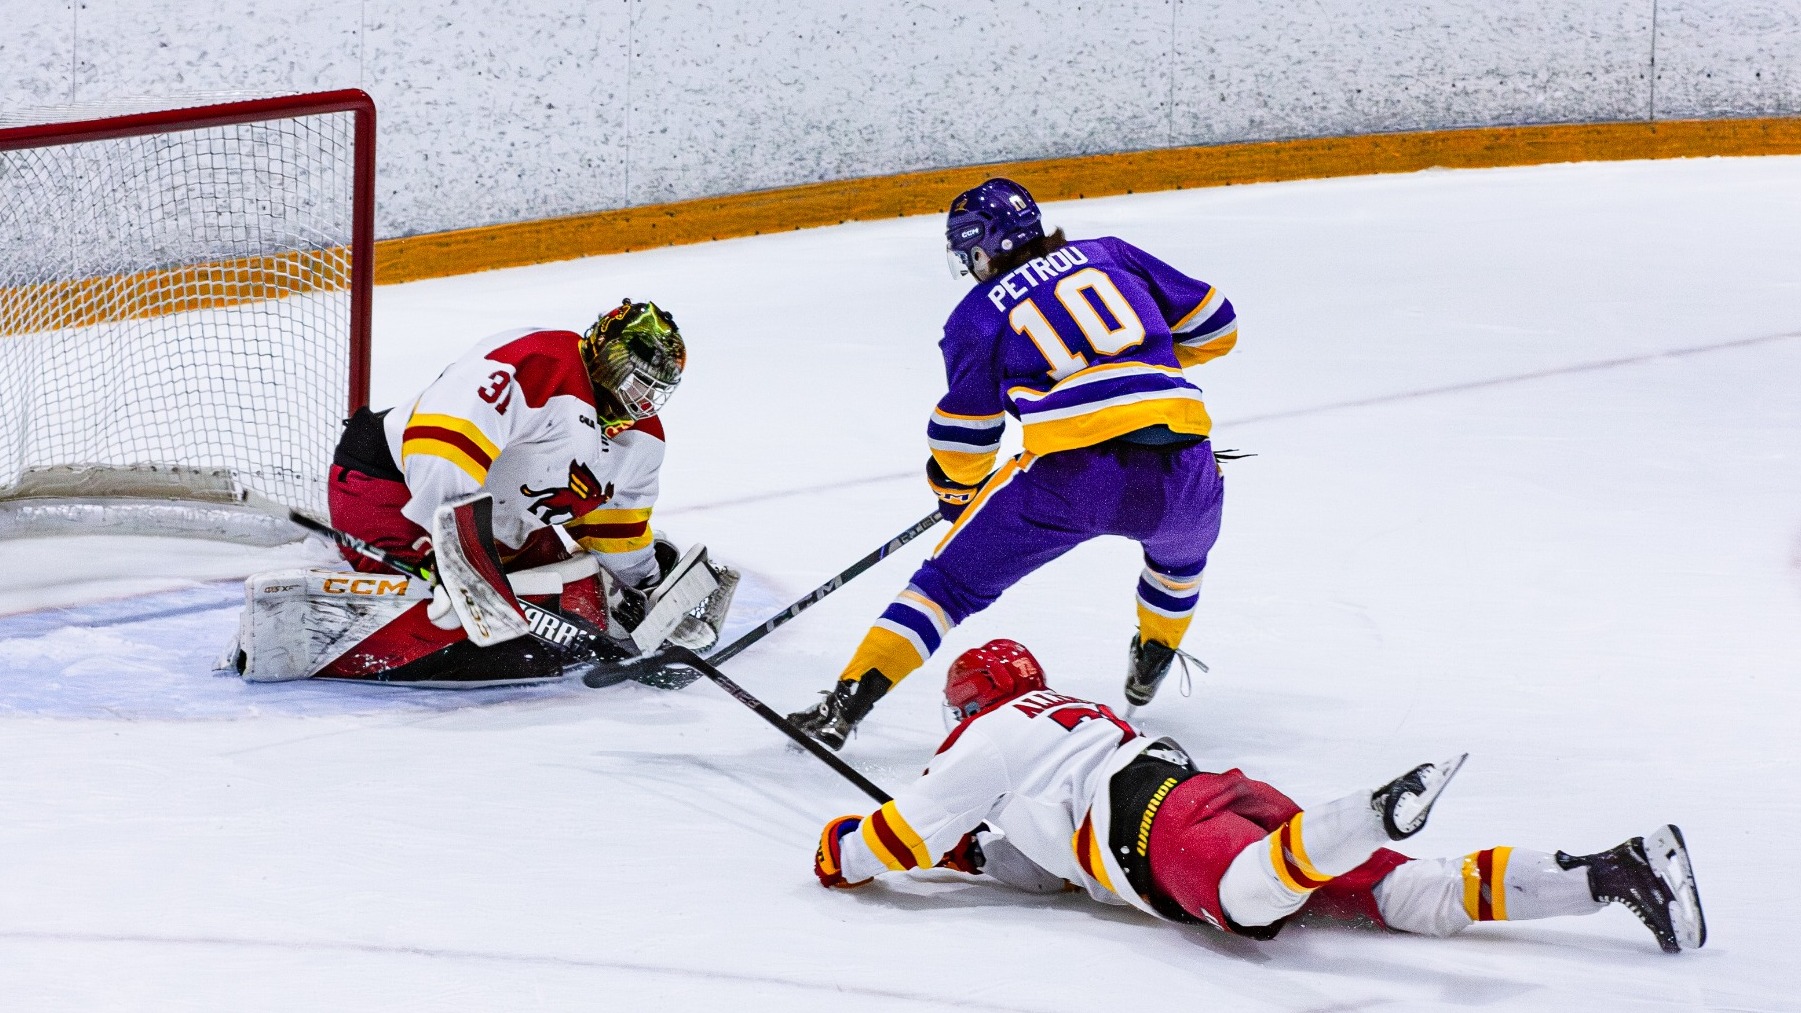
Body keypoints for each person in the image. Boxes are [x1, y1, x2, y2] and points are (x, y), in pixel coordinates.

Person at [813, 640, 1707, 954]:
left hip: (1149, 826)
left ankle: (1368, 810)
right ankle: (1621, 871)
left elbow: (891, 840)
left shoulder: (987, 736)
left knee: (1245, 907)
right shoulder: (1070, 714)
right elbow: (1044, 868)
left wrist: (839, 849)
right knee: (1410, 894)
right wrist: (976, 854)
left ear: (967, 706)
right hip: (1208, 788)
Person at [788, 177, 1241, 748]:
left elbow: (965, 442)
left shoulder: (975, 316)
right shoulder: (1110, 252)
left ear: (981, 249)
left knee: (947, 586)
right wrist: (1142, 361)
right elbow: (1219, 326)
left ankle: (845, 704)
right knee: (1180, 563)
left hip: (1076, 479)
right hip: (1185, 464)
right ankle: (1155, 654)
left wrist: (954, 494)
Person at [226, 299, 734, 686]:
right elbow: (442, 445)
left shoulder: (641, 442)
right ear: (602, 347)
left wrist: (646, 586)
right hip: (390, 487)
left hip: (498, 523)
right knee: (442, 606)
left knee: (565, 595)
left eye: (650, 387)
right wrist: (454, 554)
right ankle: (308, 627)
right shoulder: (542, 363)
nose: (636, 394)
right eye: (628, 371)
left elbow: (614, 526)